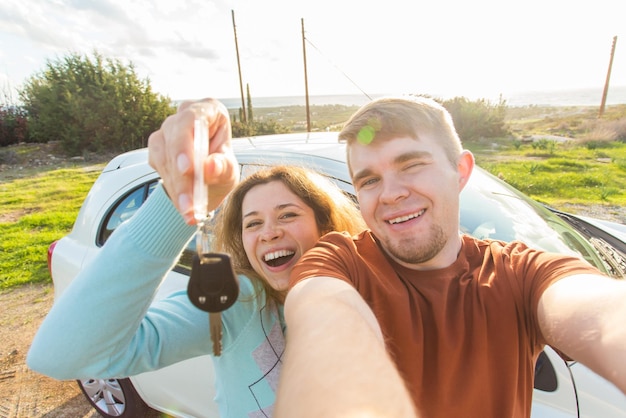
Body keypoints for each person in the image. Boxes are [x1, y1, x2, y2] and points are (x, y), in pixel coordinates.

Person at [275, 96, 626, 418]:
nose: (391, 194)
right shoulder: (340, 261)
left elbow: (599, 313)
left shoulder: (520, 273)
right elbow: (321, 312)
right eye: (368, 181)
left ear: (461, 171)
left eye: (411, 165)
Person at [27, 99, 381, 417]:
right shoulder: (239, 303)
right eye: (252, 223)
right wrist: (180, 204)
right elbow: (62, 356)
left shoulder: (377, 289)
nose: (268, 232)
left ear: (326, 225)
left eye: (287, 215)